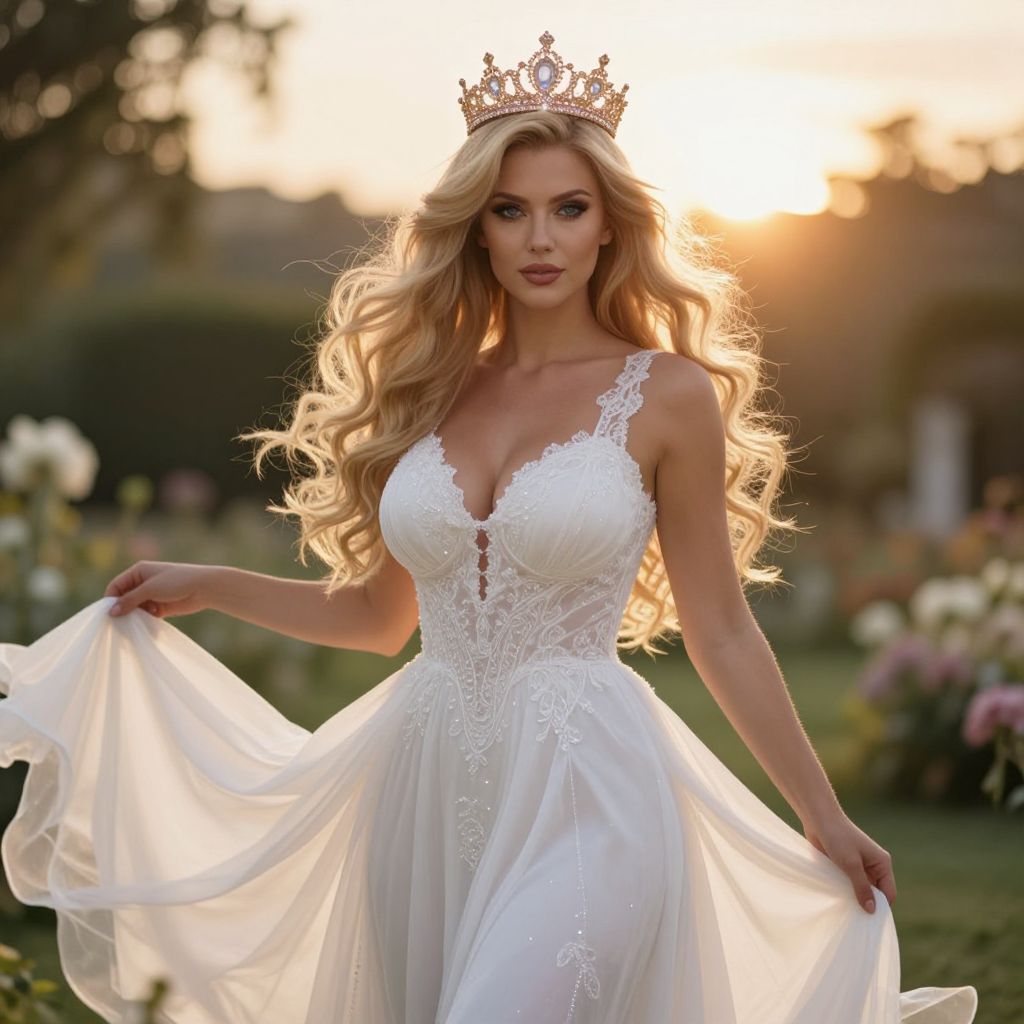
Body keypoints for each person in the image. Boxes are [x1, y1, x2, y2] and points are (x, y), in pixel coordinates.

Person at [0, 30, 979, 1024]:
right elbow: (383, 618)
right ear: (476, 229)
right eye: (510, 211)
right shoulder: (427, 388)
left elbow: (719, 626)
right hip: (420, 788)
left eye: (568, 208)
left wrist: (822, 813)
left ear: (609, 225)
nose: (540, 238)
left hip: (588, 787)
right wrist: (213, 583)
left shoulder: (667, 395)